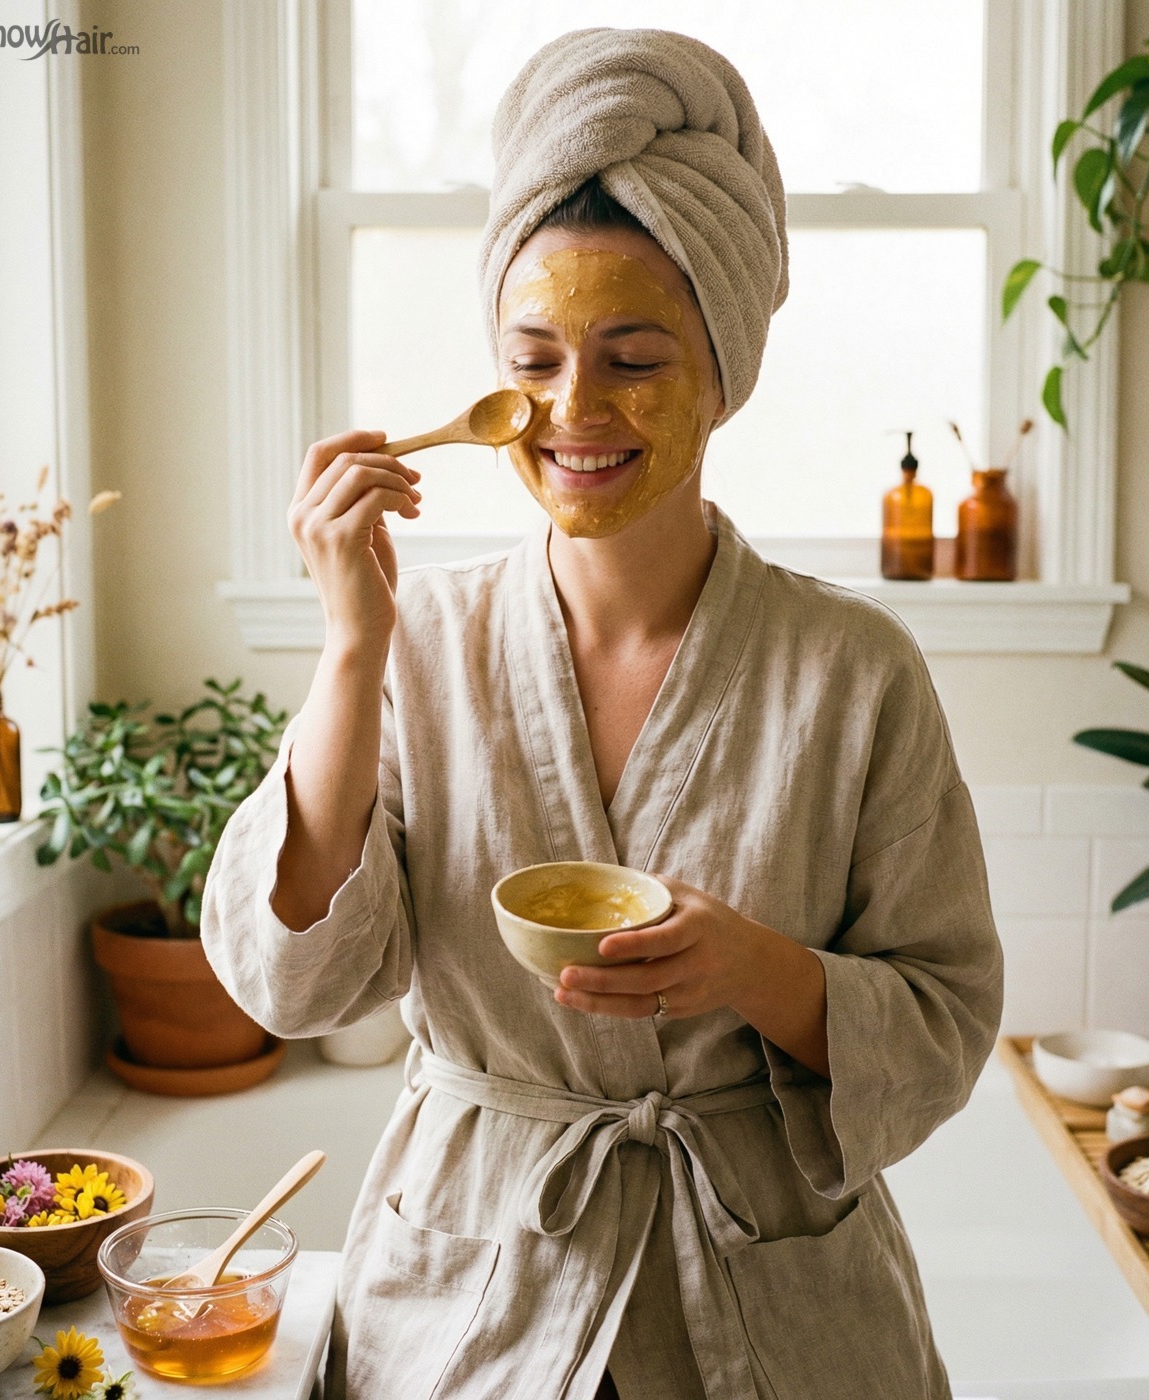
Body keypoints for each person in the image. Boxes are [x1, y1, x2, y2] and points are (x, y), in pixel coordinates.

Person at [202, 27, 1003, 1400]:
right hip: (473, 1288)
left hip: (777, 1293)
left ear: (721, 373)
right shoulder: (421, 641)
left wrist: (755, 969)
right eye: (534, 358)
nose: (577, 409)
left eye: (635, 357)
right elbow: (296, 984)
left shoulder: (853, 666)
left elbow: (946, 1016)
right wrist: (350, 645)